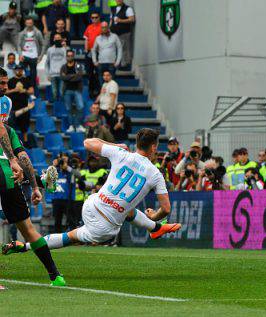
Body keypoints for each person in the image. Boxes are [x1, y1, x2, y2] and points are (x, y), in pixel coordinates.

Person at [3, 129, 182, 254]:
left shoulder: (122, 154)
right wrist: (154, 216)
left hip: (91, 204)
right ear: (153, 147)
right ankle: (156, 227)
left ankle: (156, 229)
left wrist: (115, 145)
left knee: (125, 208)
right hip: (105, 227)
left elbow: (88, 142)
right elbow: (166, 209)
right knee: (70, 237)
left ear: (137, 144)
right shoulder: (156, 174)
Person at [0, 70, 65, 286]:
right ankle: (55, 275)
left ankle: (55, 275)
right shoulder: (7, 125)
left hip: (8, 175)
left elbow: (22, 156)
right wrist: (35, 185)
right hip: (10, 174)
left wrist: (35, 186)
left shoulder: (7, 126)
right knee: (28, 229)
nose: (3, 86)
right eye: (1, 83)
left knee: (28, 229)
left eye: (5, 83)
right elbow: (19, 155)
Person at [7, 64, 34, 144]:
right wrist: (15, 90)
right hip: (13, 107)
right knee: (11, 126)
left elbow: (31, 91)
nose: (19, 71)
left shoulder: (26, 80)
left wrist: (24, 90)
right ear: (14, 70)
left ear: (22, 70)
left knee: (24, 126)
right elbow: (5, 91)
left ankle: (25, 142)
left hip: (24, 105)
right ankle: (12, 142)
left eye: (21, 69)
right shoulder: (11, 81)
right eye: (17, 69)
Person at [60, 49, 85, 133]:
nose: (70, 57)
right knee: (68, 109)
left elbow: (79, 77)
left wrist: (68, 77)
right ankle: (71, 126)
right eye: (68, 56)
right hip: (67, 90)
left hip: (77, 90)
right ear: (66, 57)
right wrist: (73, 76)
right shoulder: (63, 67)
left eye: (71, 55)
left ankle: (78, 125)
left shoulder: (78, 66)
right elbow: (63, 78)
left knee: (80, 107)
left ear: (73, 56)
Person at [18, 17, 44, 88]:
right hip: (24, 56)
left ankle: (32, 93)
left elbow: (43, 44)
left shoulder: (38, 32)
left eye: (30, 23)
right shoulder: (21, 33)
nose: (29, 24)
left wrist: (40, 56)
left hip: (34, 56)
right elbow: (18, 45)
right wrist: (20, 55)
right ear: (25, 23)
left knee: (33, 76)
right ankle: (21, 90)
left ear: (33, 23)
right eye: (27, 23)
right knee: (20, 73)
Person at [109, 0, 134, 68]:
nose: (118, 0)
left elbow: (132, 19)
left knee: (124, 49)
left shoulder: (128, 8)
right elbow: (111, 20)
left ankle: (125, 65)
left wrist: (121, 20)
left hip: (124, 32)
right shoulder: (113, 8)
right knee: (116, 49)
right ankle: (118, 64)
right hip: (114, 33)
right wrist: (109, 28)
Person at [83, 11, 102, 98]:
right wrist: (86, 50)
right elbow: (86, 39)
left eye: (96, 17)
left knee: (98, 73)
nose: (94, 19)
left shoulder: (103, 27)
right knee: (89, 73)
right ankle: (91, 90)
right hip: (89, 52)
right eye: (92, 18)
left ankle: (97, 90)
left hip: (99, 53)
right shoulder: (89, 27)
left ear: (99, 18)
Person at [45, 33, 67, 101]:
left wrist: (65, 48)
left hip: (62, 74)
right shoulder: (49, 49)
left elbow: (68, 61)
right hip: (53, 74)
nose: (57, 39)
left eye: (59, 38)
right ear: (54, 39)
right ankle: (56, 108)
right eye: (56, 38)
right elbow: (47, 63)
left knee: (61, 92)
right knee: (54, 92)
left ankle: (62, 108)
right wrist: (48, 74)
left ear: (61, 40)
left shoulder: (65, 49)